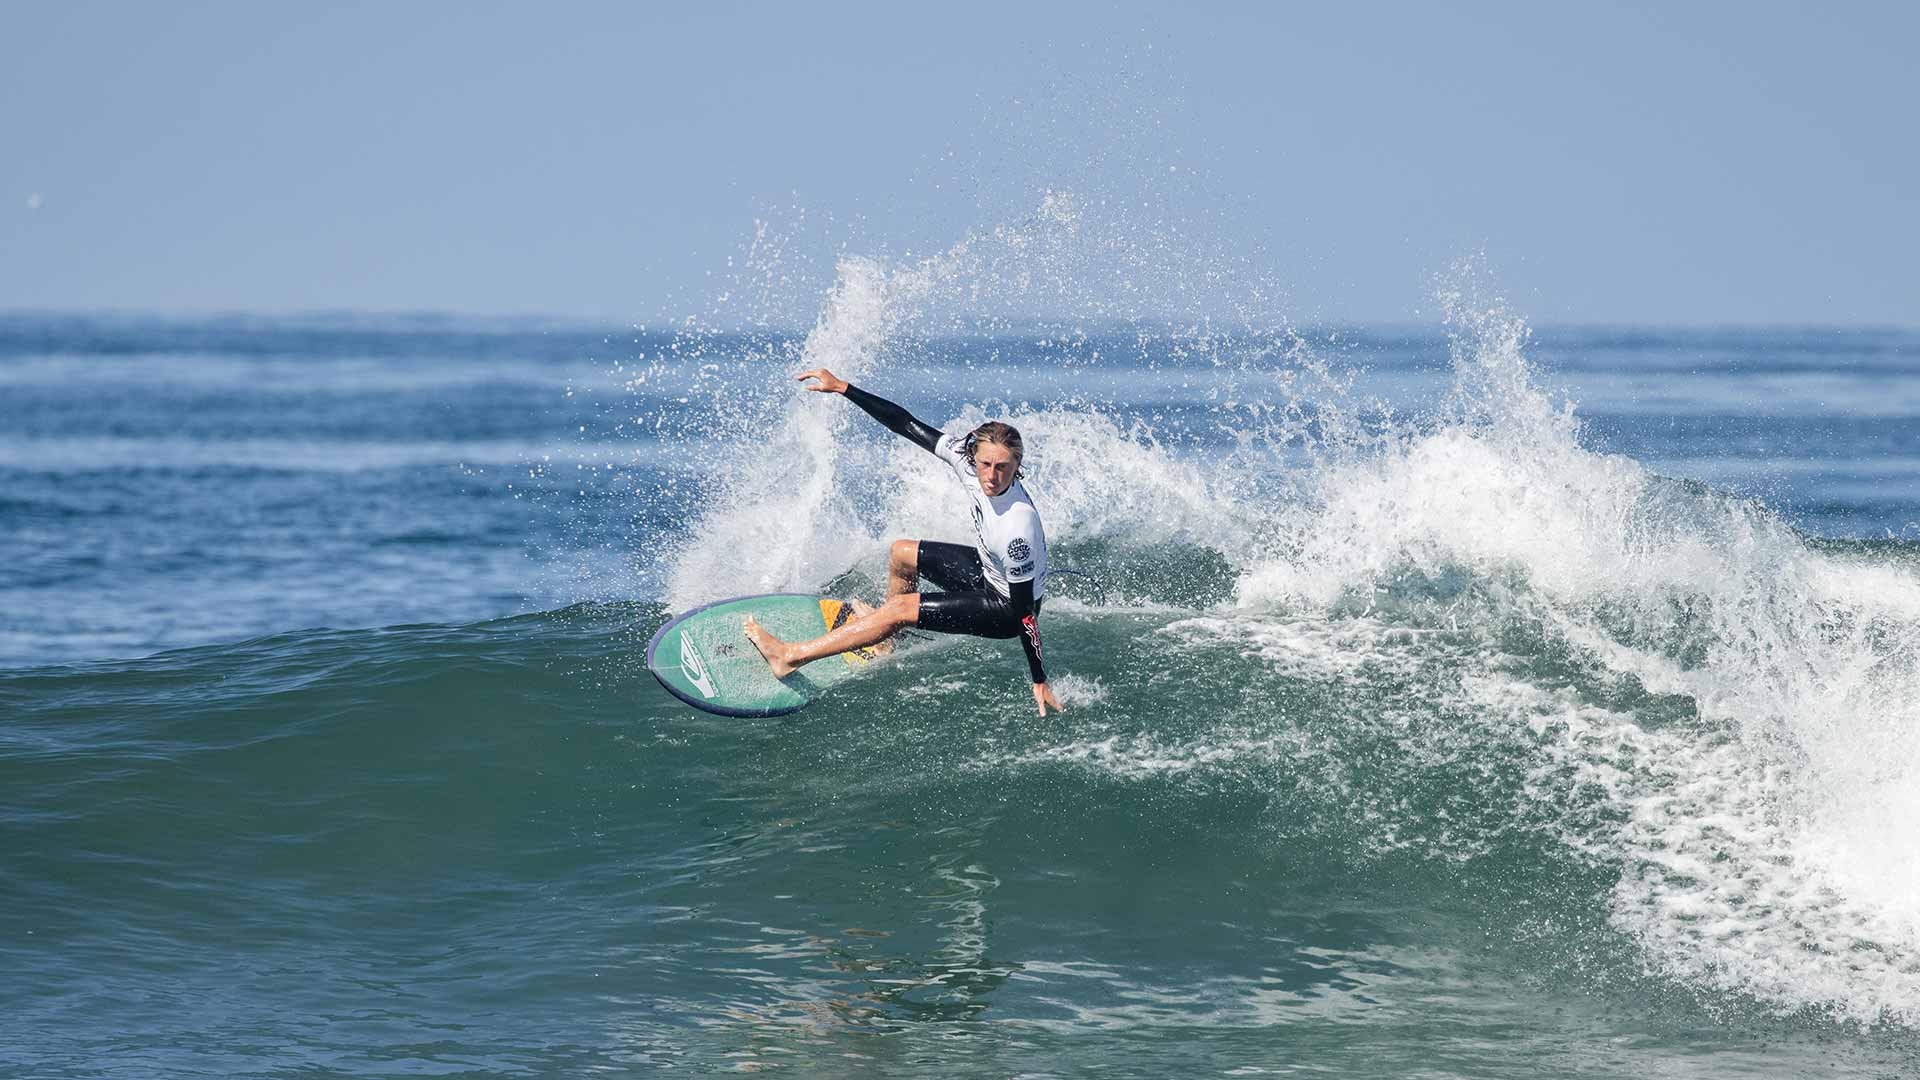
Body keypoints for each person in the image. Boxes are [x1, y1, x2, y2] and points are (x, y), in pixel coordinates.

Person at [743, 368, 1063, 716]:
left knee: (898, 609)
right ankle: (885, 639)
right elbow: (904, 423)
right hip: (989, 572)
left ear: (1017, 465)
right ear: (973, 456)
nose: (991, 476)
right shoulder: (966, 461)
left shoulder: (1017, 528)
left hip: (1005, 609)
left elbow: (1025, 616)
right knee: (902, 553)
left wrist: (1039, 677)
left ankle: (790, 657)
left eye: (1003, 467)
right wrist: (844, 388)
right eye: (986, 464)